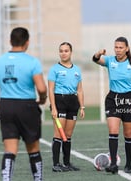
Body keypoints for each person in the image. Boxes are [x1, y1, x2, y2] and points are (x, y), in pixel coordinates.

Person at [0, 27, 47, 181]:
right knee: (33, 149)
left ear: (10, 41)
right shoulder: (32, 62)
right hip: (27, 107)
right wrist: (43, 98)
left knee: (10, 150)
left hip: (6, 106)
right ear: (27, 42)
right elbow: (41, 88)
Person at [92, 37, 131, 174]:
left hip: (129, 99)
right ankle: (113, 165)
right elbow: (95, 59)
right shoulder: (110, 60)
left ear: (127, 48)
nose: (118, 50)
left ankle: (128, 165)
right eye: (116, 47)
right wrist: (98, 54)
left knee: (128, 134)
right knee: (113, 131)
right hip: (113, 99)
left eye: (121, 47)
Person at [48, 42, 85, 172]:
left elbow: (79, 90)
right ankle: (56, 164)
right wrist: (53, 107)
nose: (63, 53)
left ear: (71, 52)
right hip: (59, 101)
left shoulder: (77, 70)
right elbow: (51, 89)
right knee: (59, 134)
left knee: (68, 135)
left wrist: (82, 107)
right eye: (61, 51)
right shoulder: (54, 69)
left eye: (66, 51)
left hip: (72, 102)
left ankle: (67, 163)